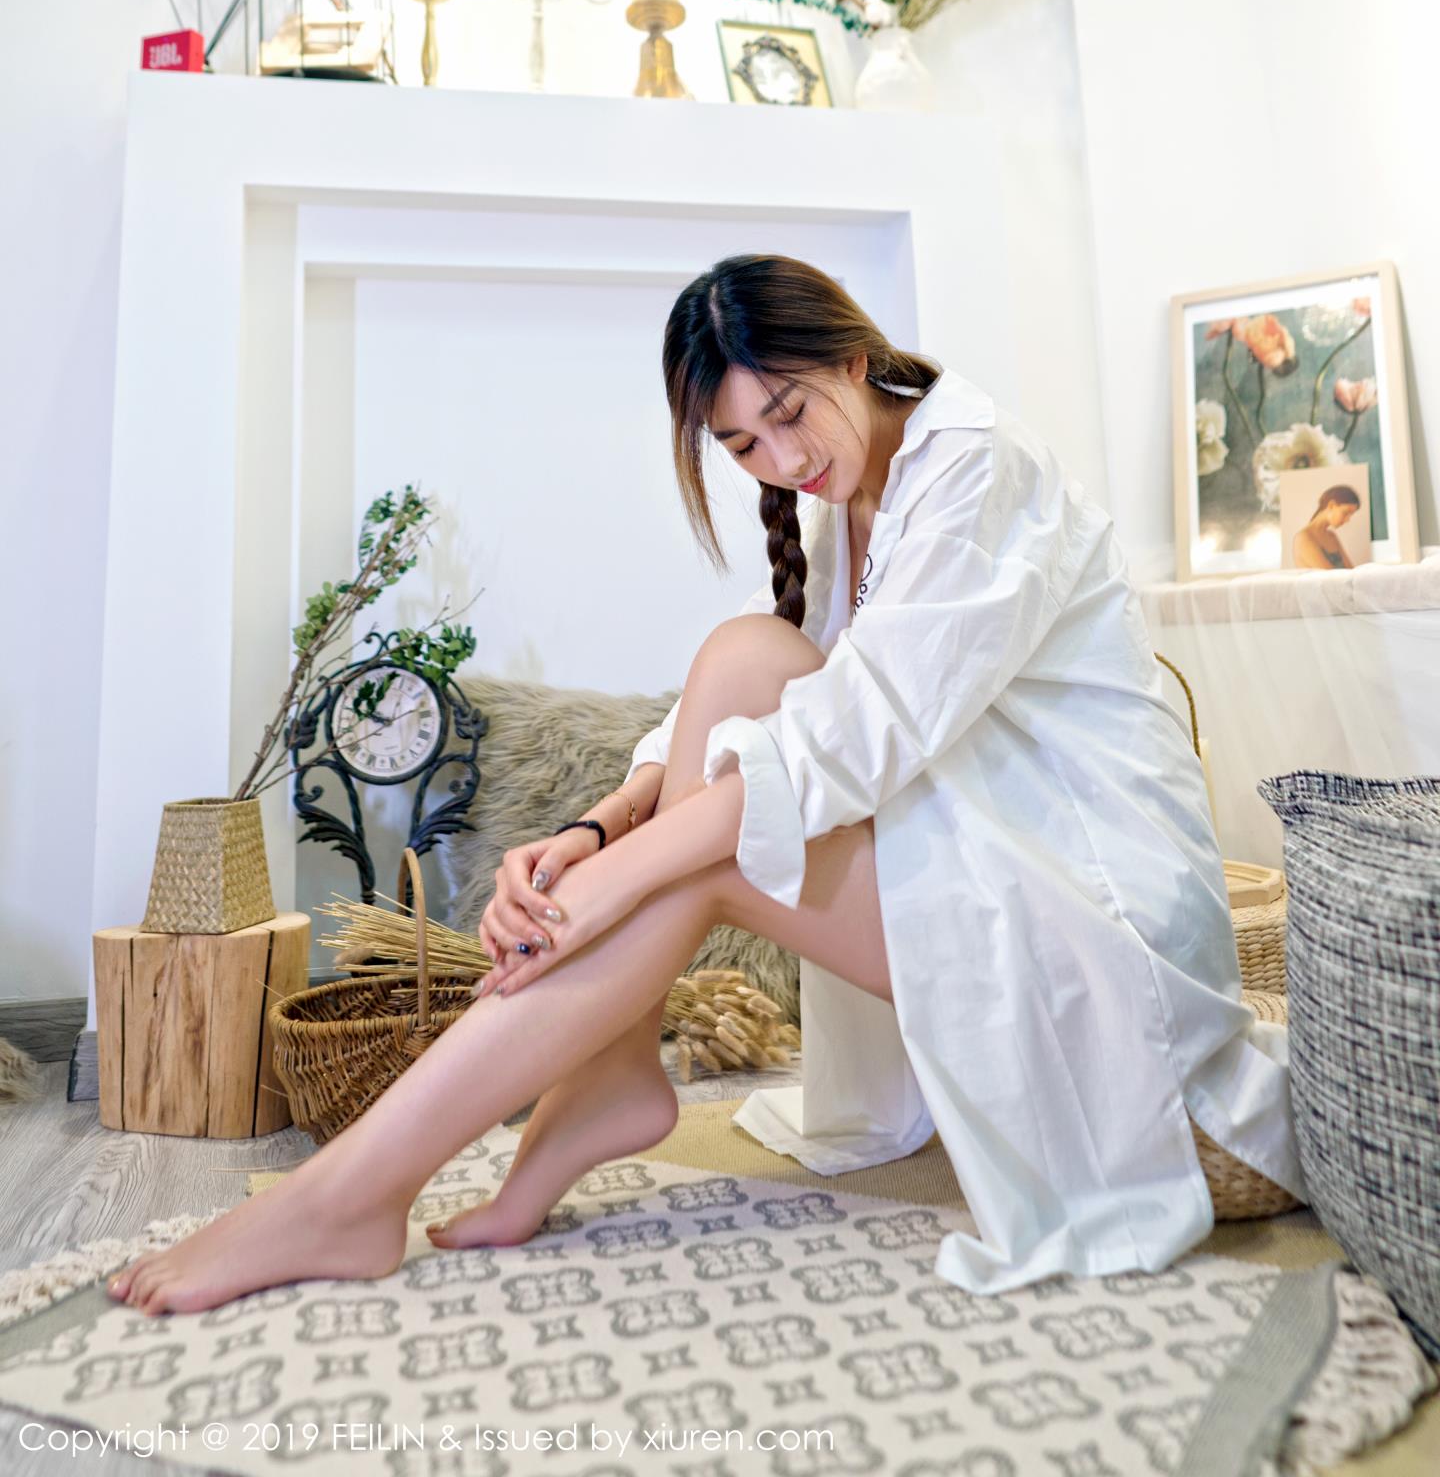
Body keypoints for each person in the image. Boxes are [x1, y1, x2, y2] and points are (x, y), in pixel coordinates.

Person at [106, 253, 1304, 1317]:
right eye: (743, 446)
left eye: (790, 413)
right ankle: (582, 1081)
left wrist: (624, 876)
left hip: (1092, 920)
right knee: (742, 662)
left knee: (699, 854)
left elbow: (860, 736)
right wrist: (596, 832)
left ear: (854, 357)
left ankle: (362, 1186)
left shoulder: (976, 468)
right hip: (983, 865)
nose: (784, 459)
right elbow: (739, 712)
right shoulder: (851, 497)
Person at [1293, 483, 1363, 569]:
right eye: (1345, 513)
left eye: (1350, 515)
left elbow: (1351, 570)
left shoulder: (1331, 536)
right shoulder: (1303, 537)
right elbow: (1329, 575)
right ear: (1331, 505)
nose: (1348, 520)